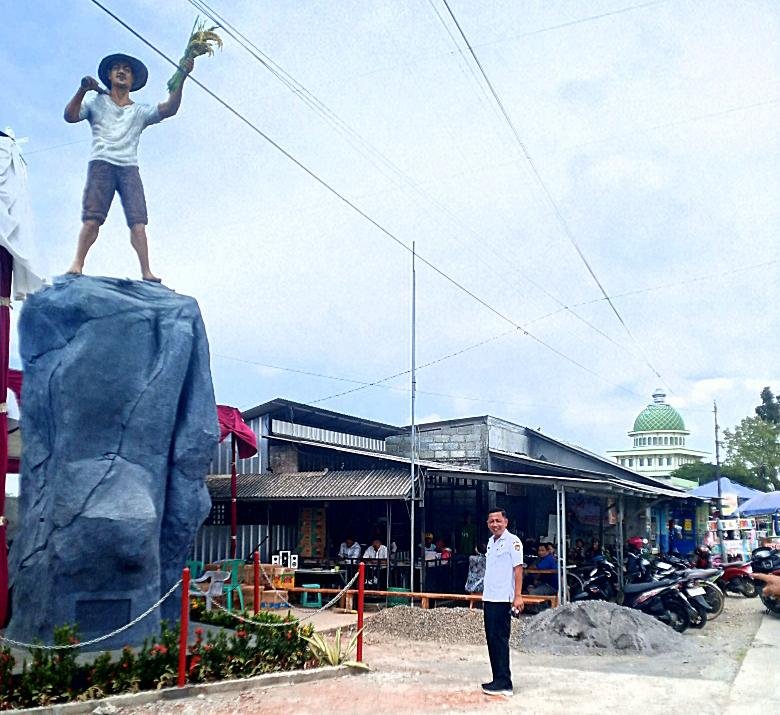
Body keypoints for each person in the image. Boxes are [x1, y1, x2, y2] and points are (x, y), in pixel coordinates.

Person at [64, 52, 195, 282]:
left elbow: (169, 109)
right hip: (101, 163)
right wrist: (83, 89)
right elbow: (70, 116)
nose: (122, 71)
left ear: (132, 80)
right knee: (92, 218)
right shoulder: (96, 101)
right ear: (109, 75)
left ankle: (146, 271)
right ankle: (78, 262)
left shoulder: (139, 111)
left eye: (127, 69)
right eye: (117, 68)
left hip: (128, 168)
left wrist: (182, 75)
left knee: (138, 222)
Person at [481, 508, 523, 698]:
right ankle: (497, 678)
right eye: (491, 521)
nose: (495, 524)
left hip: (502, 598)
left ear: (506, 521)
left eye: (498, 520)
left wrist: (518, 596)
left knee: (500, 639)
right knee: (492, 640)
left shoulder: (512, 542)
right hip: (489, 597)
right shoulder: (491, 542)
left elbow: (518, 569)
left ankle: (505, 682)